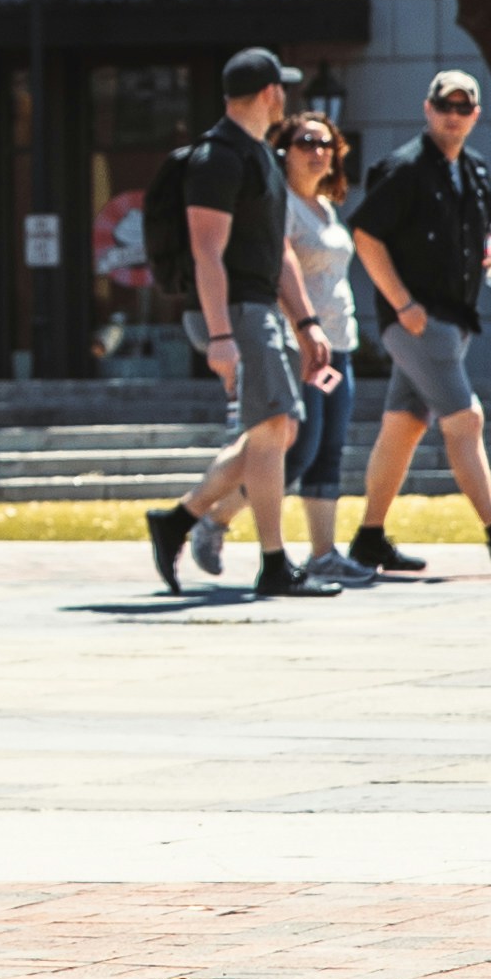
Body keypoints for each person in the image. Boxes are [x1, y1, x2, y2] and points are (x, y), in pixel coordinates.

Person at [144, 47, 339, 605]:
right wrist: (222, 338)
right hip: (233, 312)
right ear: (268, 94)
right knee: (276, 424)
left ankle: (180, 519)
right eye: (283, 88)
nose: (287, 97)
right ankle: (275, 563)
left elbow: (276, 250)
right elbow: (208, 253)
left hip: (260, 310)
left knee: (276, 430)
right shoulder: (218, 159)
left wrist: (306, 322)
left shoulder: (261, 158)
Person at [345, 68, 491, 579]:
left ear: (475, 115)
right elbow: (366, 234)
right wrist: (401, 303)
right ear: (427, 109)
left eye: (464, 109)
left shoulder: (474, 171)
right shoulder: (405, 168)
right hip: (418, 322)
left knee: (404, 426)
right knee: (466, 419)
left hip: (455, 319)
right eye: (445, 107)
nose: (453, 117)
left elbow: (484, 237)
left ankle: (369, 538)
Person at [276, 110, 368, 585]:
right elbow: (279, 277)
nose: (318, 153)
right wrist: (303, 329)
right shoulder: (283, 206)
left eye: (326, 145)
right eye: (306, 143)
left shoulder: (326, 208)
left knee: (329, 451)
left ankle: (323, 553)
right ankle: (214, 517)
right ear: (284, 151)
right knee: (299, 450)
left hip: (340, 345)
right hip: (302, 347)